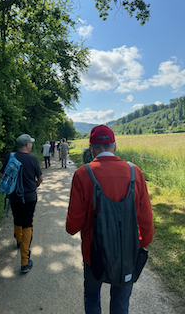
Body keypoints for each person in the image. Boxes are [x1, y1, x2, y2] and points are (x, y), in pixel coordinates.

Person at [66, 125, 154, 314]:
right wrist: (141, 244)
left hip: (93, 254)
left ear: (92, 148)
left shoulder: (82, 174)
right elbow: (146, 217)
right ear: (114, 146)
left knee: (92, 297)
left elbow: (72, 226)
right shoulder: (135, 172)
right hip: (127, 252)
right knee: (121, 303)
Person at [0, 134, 43, 274]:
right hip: (29, 197)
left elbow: (2, 175)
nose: (31, 145)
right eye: (30, 143)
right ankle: (25, 262)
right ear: (27, 145)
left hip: (14, 197)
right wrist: (34, 186)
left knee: (17, 219)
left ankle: (18, 241)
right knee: (27, 225)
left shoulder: (10, 157)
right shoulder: (33, 159)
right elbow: (40, 178)